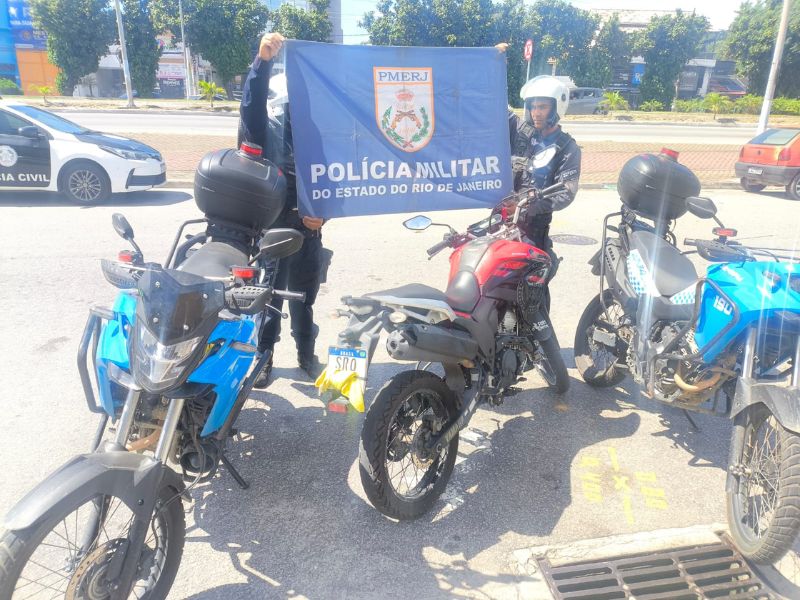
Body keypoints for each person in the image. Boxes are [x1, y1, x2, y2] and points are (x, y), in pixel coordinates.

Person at [238, 32, 328, 386]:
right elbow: (251, 104)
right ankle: (264, 357)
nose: (292, 115)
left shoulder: (317, 135)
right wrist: (263, 62)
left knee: (305, 297)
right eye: (287, 109)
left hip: (308, 228)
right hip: (272, 228)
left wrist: (322, 215)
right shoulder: (263, 130)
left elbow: (332, 180)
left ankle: (306, 354)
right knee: (270, 295)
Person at [507, 74, 582, 311]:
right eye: (532, 107)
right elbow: (495, 106)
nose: (536, 112)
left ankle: (540, 341)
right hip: (503, 221)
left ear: (556, 108)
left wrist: (528, 205)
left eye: (542, 106)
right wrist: (495, 61)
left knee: (530, 289)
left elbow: (566, 192)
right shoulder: (522, 133)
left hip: (533, 227)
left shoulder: (567, 147)